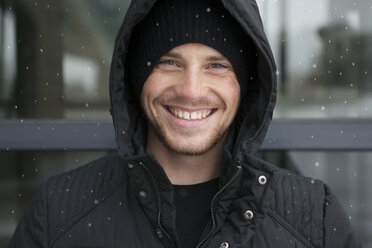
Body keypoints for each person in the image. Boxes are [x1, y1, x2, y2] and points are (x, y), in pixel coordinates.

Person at [10, 0, 361, 247]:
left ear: (246, 87)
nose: (191, 91)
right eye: (169, 62)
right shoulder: (58, 212)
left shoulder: (314, 218)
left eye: (217, 65)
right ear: (135, 79)